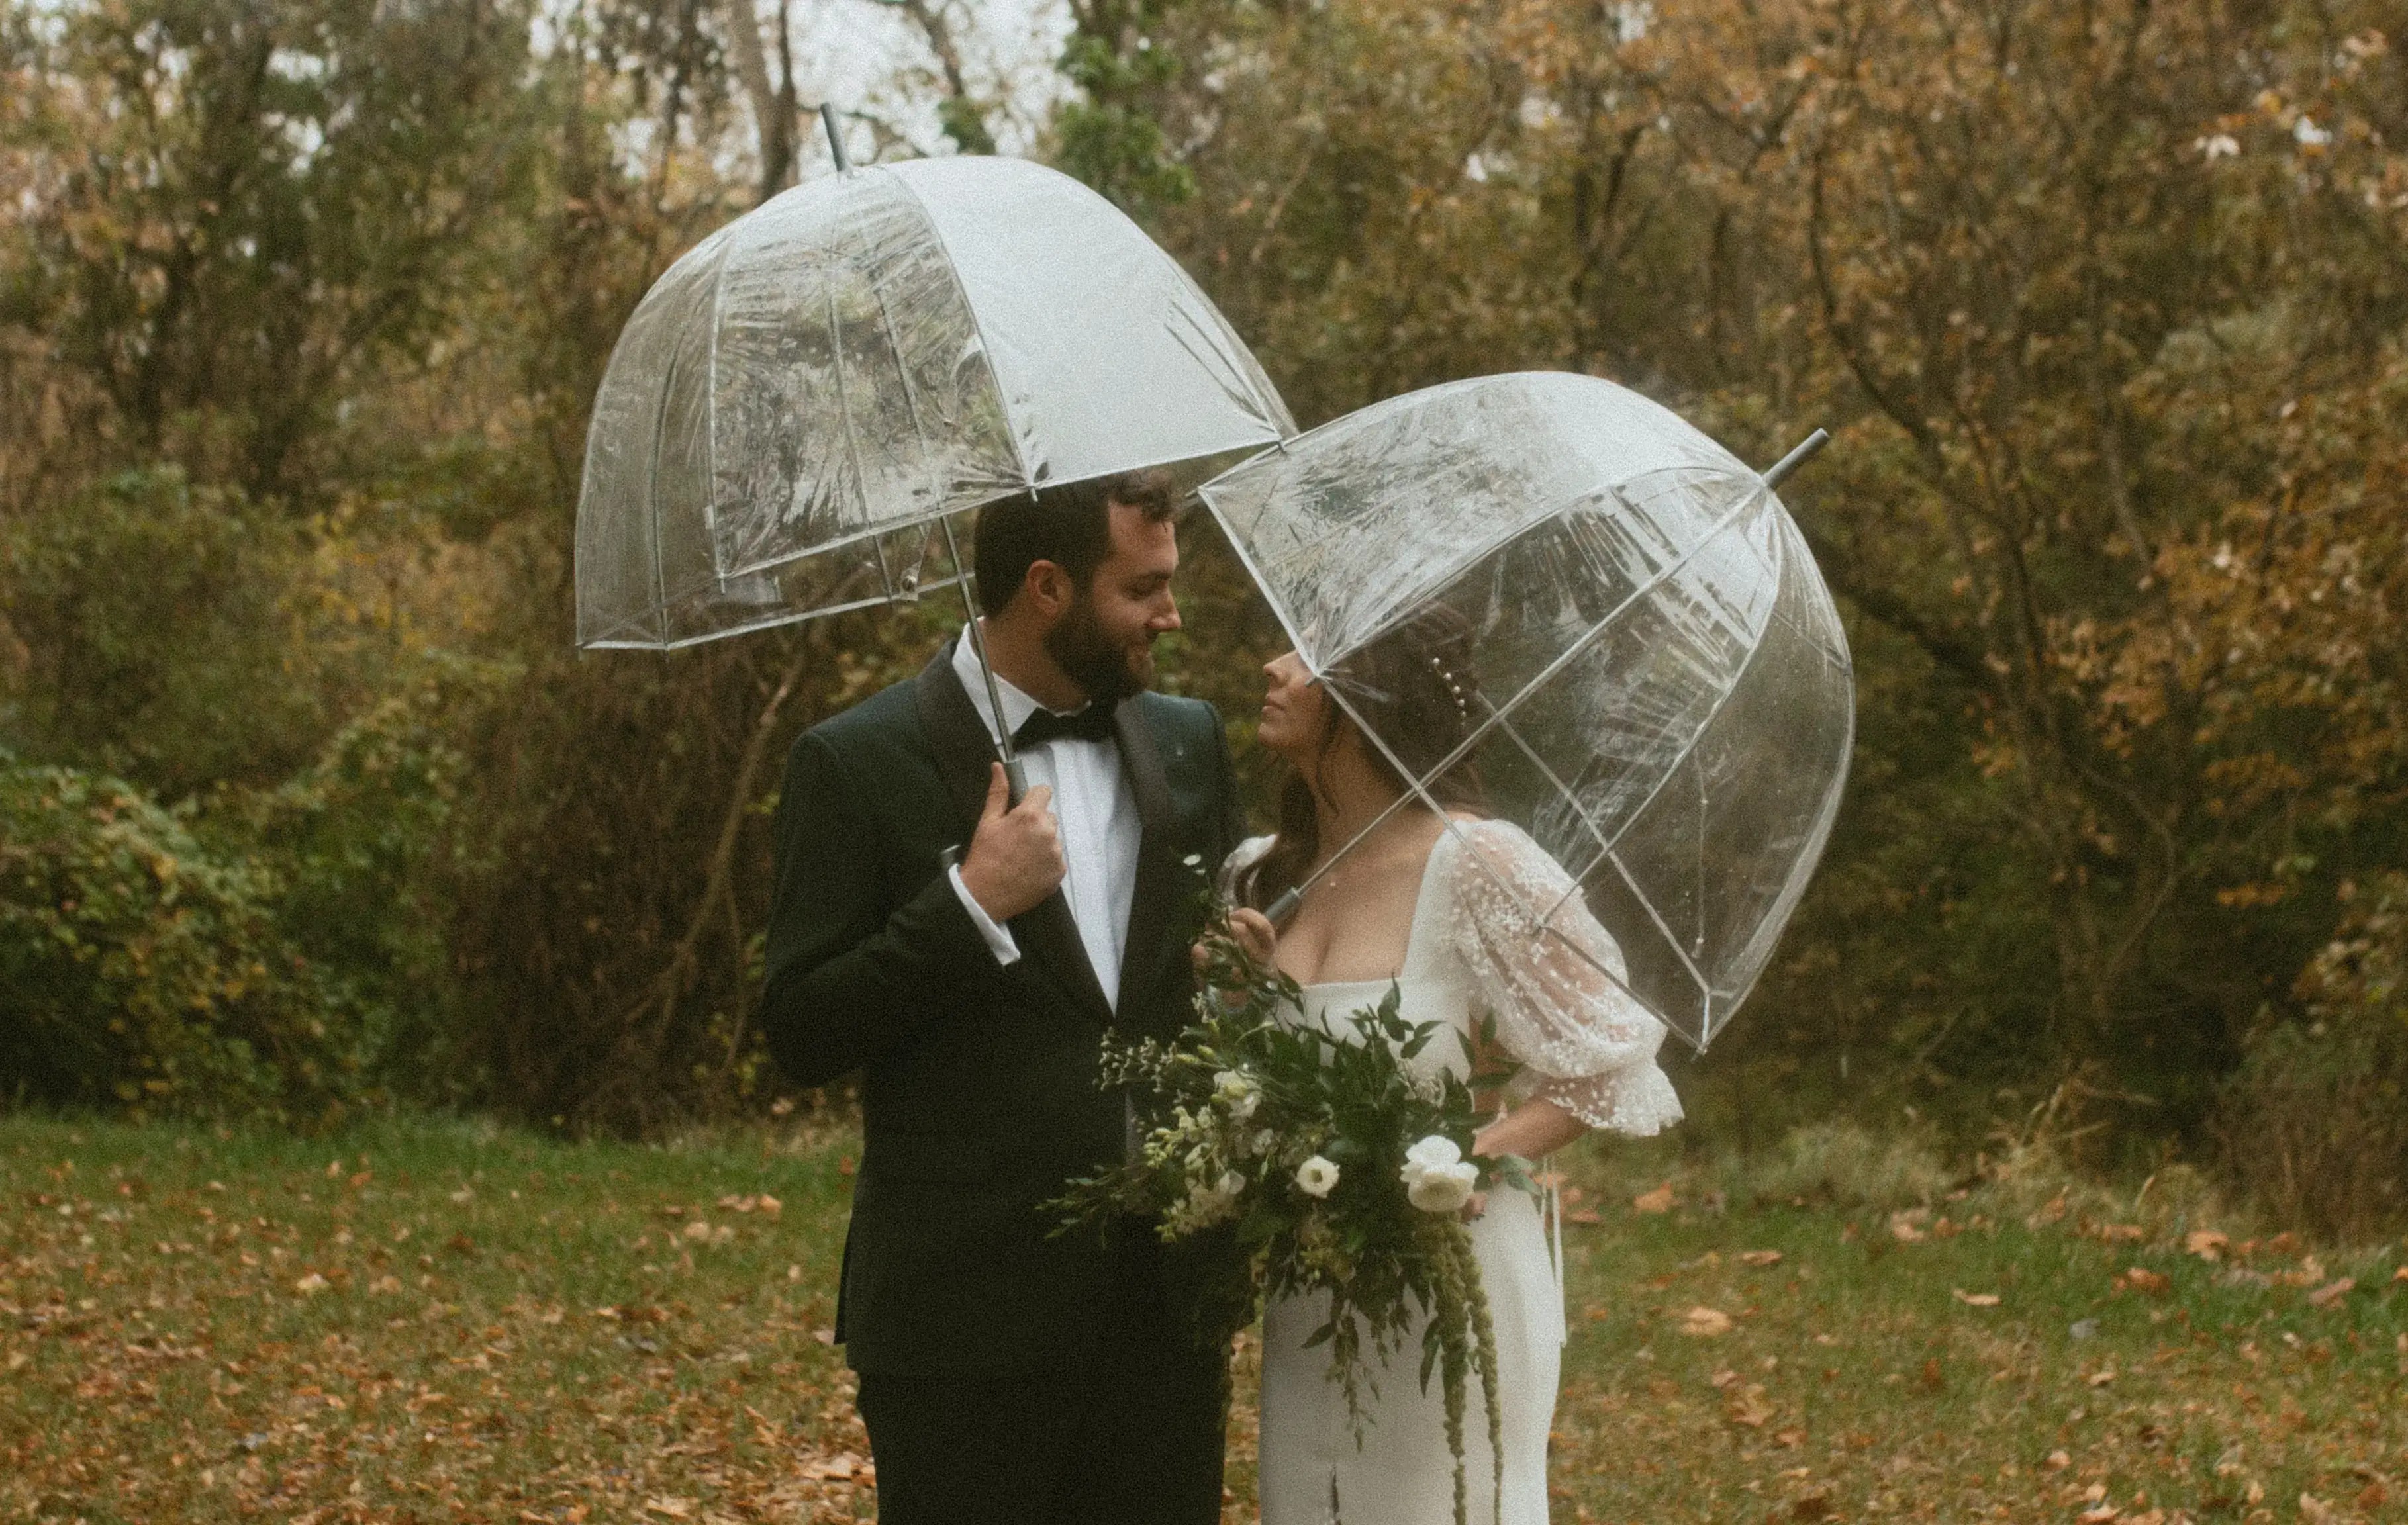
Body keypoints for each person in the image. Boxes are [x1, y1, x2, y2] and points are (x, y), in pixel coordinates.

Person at [758, 469, 1247, 1525]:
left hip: (1164, 1305)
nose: (1171, 612)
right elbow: (799, 1027)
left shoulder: (1189, 741)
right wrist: (969, 906)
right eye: (1143, 587)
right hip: (961, 1314)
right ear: (1046, 588)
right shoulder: (853, 762)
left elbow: (1183, 988)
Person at [1220, 614, 1684, 1525]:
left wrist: (1467, 1158)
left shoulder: (1479, 864)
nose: (1271, 666)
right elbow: (1238, 1085)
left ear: (1371, 694)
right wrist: (1231, 994)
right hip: (1314, 1290)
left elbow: (1611, 1062)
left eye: (1306, 655)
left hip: (1449, 1273)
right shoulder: (1259, 872)